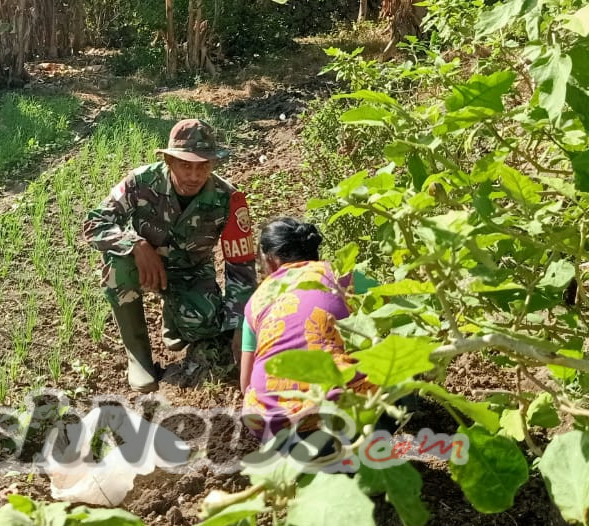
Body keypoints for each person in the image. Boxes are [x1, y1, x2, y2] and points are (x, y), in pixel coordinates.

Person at [82, 119, 257, 392]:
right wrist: (136, 244)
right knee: (118, 265)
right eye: (186, 165)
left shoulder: (229, 199)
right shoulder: (140, 182)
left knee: (206, 326)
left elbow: (241, 265)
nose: (194, 176)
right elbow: (95, 223)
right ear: (169, 161)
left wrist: (240, 326)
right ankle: (138, 356)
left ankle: (174, 317)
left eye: (203, 166)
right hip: (143, 265)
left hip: (191, 270)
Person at [239, 217, 376, 441]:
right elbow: (393, 311)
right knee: (398, 370)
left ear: (270, 259)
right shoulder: (343, 276)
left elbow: (246, 385)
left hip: (274, 427)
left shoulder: (256, 301)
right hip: (348, 414)